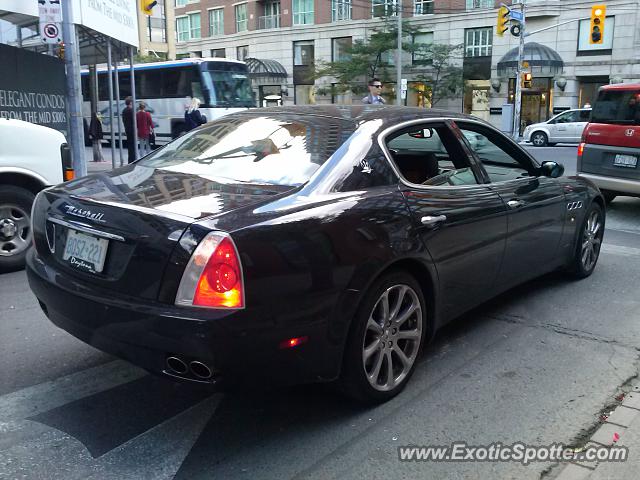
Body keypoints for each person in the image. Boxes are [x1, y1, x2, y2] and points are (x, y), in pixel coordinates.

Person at [121, 96, 136, 163]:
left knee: (130, 146)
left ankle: (130, 160)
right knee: (133, 145)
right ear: (130, 103)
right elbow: (134, 120)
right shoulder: (131, 110)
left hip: (127, 129)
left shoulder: (124, 110)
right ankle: (133, 160)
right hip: (132, 129)